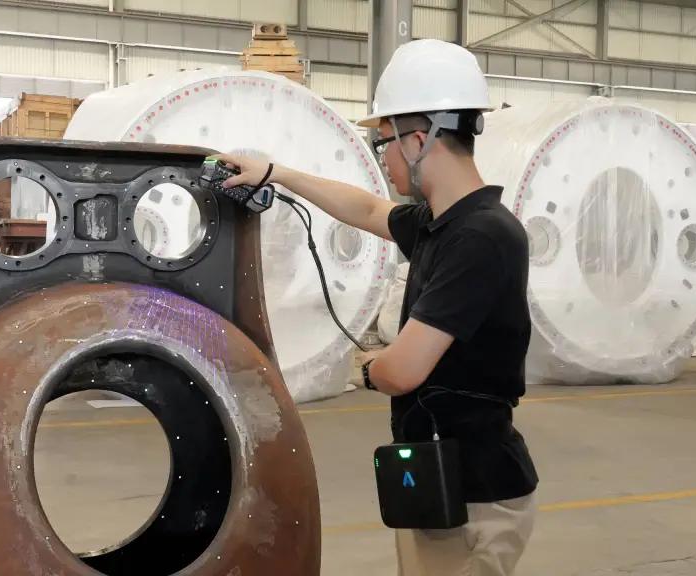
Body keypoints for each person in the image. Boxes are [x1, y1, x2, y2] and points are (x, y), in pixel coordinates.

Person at [213, 38, 539, 576]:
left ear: (419, 140)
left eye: (383, 141)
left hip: (472, 493)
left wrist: (365, 367)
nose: (382, 158)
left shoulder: (479, 238)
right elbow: (365, 208)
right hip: (443, 478)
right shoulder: (444, 224)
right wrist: (275, 172)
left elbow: (403, 371)